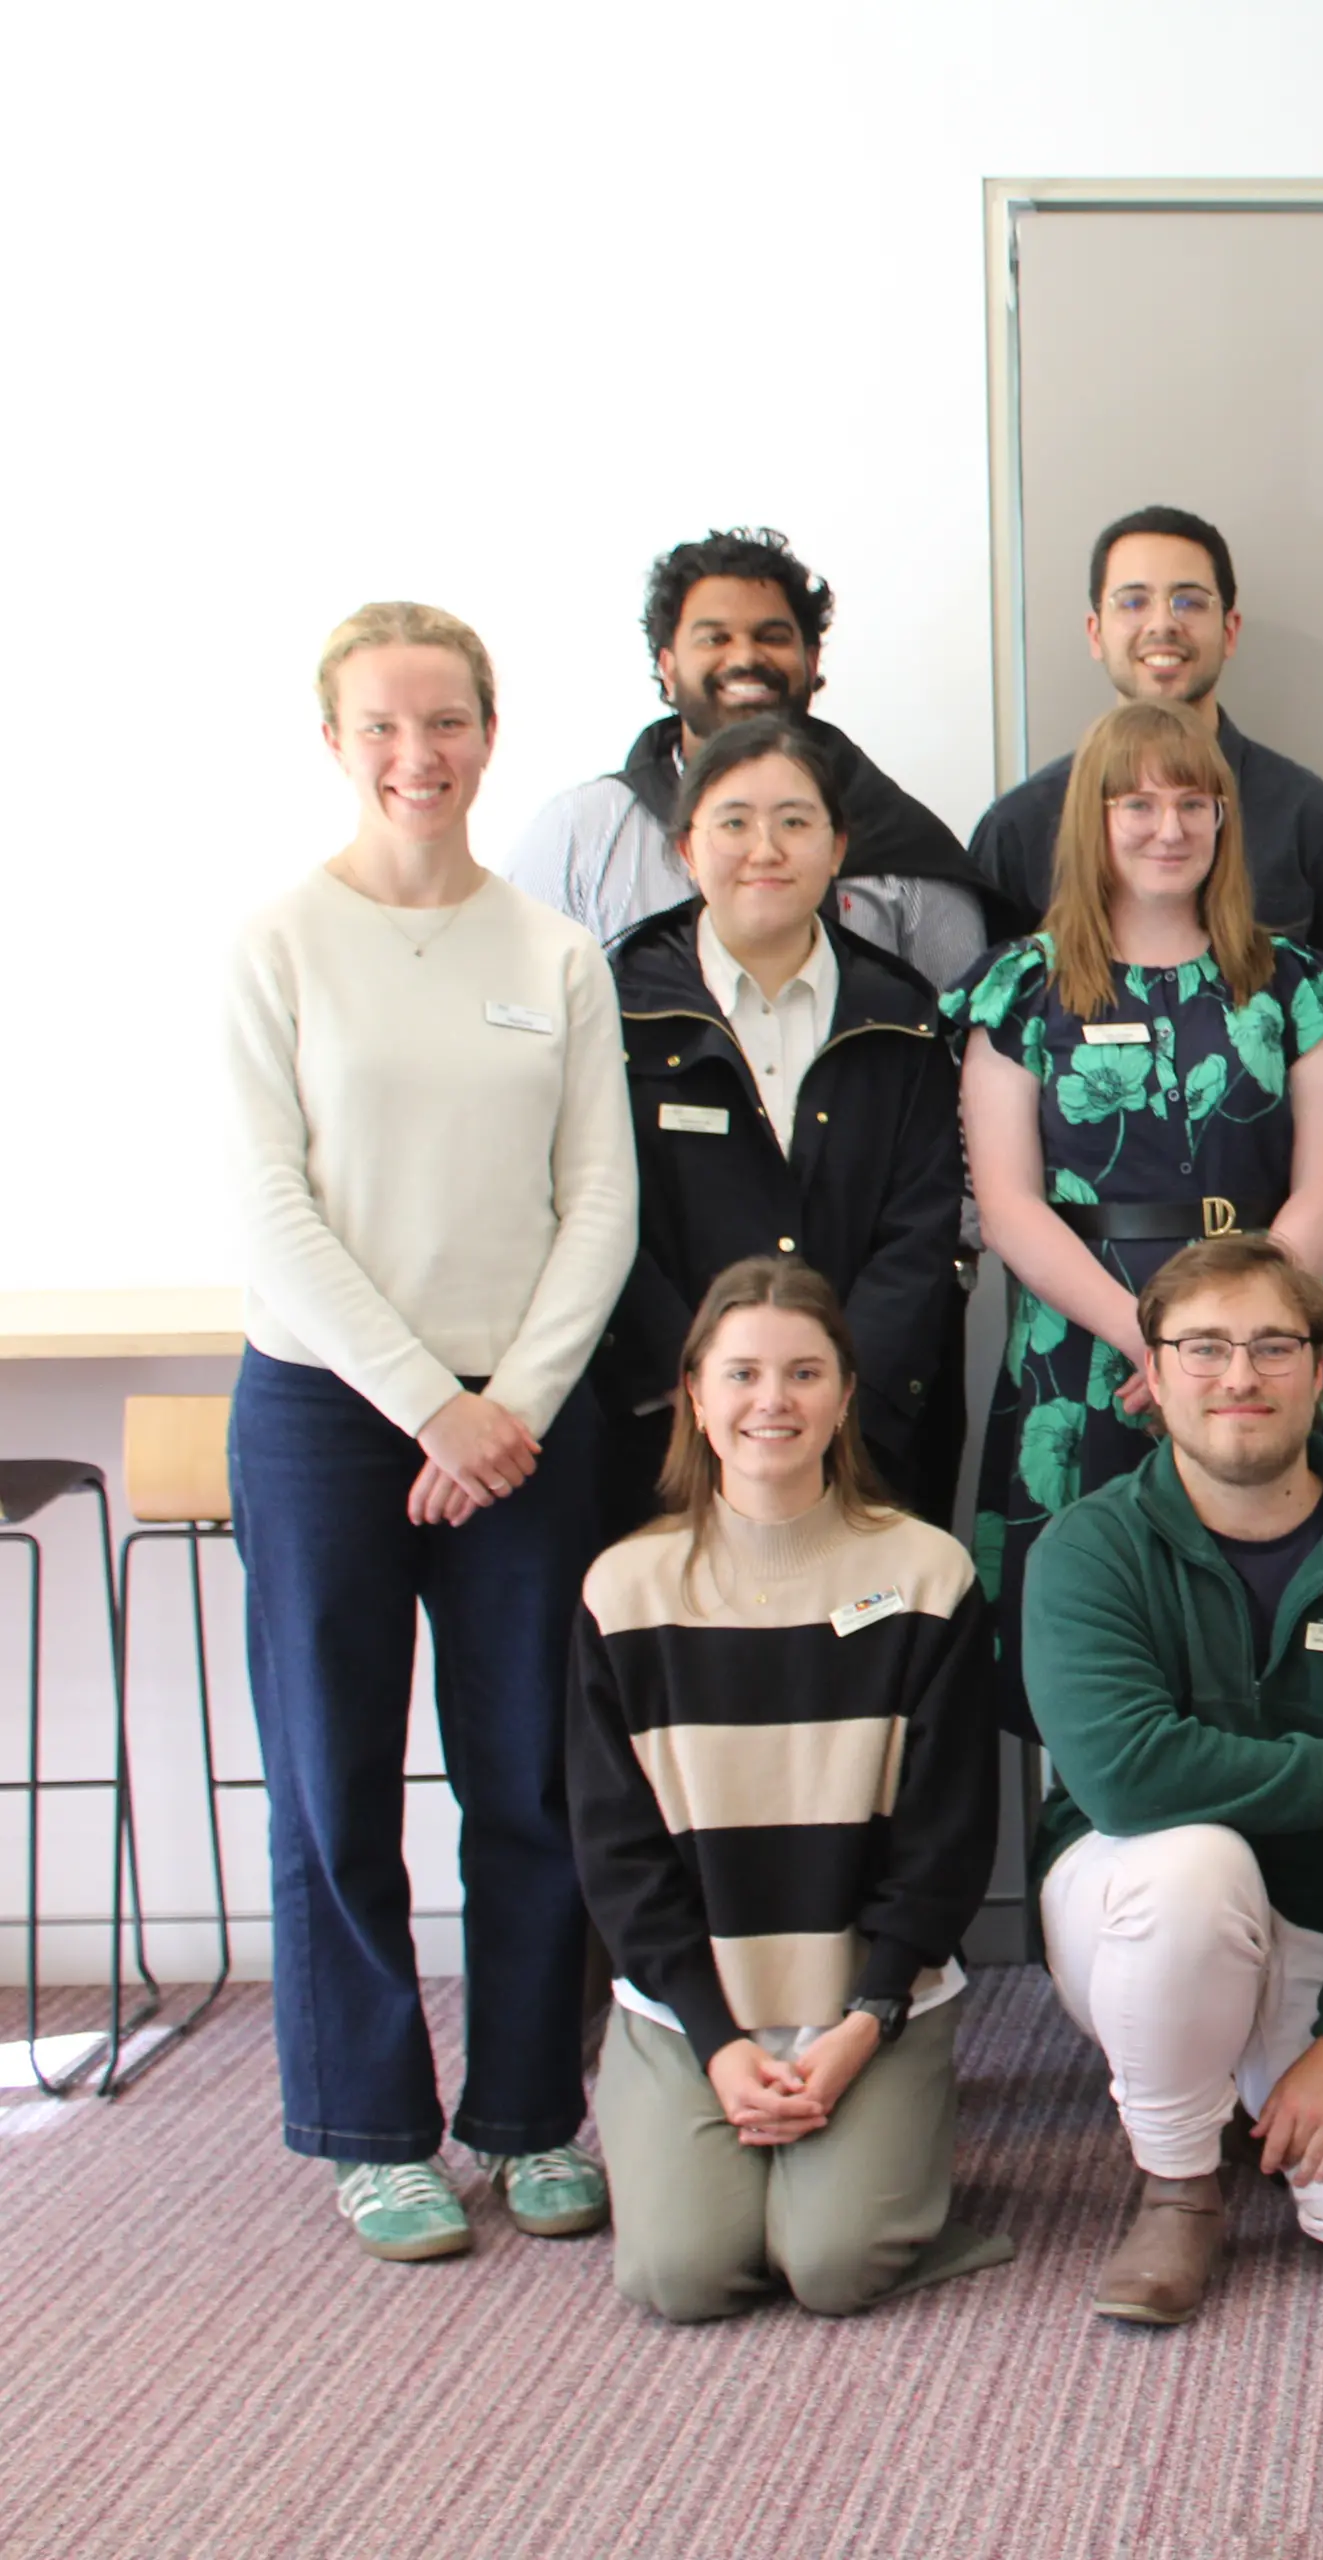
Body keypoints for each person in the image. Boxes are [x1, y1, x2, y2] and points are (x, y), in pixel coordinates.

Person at [221, 603, 637, 2261]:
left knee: (527, 1776)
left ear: (489, 731)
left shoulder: (552, 956)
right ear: (338, 742)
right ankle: (373, 2125)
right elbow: (273, 1209)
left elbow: (599, 1201)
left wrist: (510, 1407)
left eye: (448, 721)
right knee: (334, 1777)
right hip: (329, 1412)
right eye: (387, 726)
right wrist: (428, 1407)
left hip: (525, 1422)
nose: (421, 755)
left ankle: (532, 2113)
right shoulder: (279, 946)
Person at [1025, 1236, 1323, 2324]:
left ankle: (1256, 2082)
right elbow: (1125, 1776)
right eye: (1202, 1347)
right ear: (1148, 1374)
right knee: (1198, 1863)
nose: (1238, 1376)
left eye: (1272, 1346)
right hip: (1141, 1911)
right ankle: (1180, 2183)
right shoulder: (1086, 1549)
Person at [569, 1258, 1007, 2323]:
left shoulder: (925, 1575)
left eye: (806, 1372)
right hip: (693, 2014)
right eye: (744, 1373)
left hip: (869, 2005)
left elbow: (947, 1841)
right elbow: (616, 1856)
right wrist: (718, 2043)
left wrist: (866, 2017)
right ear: (696, 1396)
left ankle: (859, 2179)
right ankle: (743, 2161)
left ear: (847, 1396)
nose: (774, 1401)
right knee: (681, 2277)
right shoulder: (623, 1591)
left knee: (834, 2265)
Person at [948, 699, 1323, 1735]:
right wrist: (1149, 1335)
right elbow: (1007, 1204)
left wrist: (1231, 1336)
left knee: (1292, 1629)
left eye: (1194, 802)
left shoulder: (1292, 983)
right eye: (1137, 802)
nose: (1168, 827)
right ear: (1091, 820)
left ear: (1226, 821)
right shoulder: (1022, 988)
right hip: (1088, 1341)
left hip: (1266, 1339)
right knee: (1093, 1649)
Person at [598, 715, 968, 1528]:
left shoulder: (902, 1014)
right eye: (733, 822)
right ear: (686, 849)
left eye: (795, 822)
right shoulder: (616, 1006)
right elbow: (596, 1218)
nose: (765, 849)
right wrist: (701, 1392)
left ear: (837, 849)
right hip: (669, 1429)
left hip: (867, 1426)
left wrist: (829, 1397)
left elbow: (921, 1230)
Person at [501, 527, 1008, 988]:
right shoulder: (580, 834)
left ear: (811, 662)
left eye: (771, 636)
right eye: (715, 638)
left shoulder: (907, 853)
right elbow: (525, 1011)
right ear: (668, 667)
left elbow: (957, 1045)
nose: (744, 657)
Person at [966, 504, 1323, 994]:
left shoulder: (1317, 824)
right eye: (1133, 602)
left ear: (1230, 630)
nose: (1163, 624)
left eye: (1190, 602)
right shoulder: (1018, 828)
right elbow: (986, 1028)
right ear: (1096, 633)